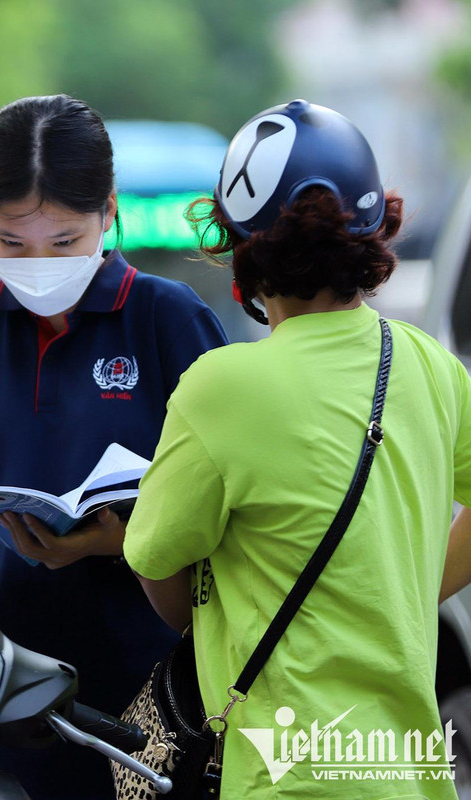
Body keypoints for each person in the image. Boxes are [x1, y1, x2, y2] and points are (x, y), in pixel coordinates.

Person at [123, 99, 471, 798]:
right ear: (376, 231)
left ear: (243, 250)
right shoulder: (434, 367)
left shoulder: (221, 386)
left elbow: (161, 575)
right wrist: (401, 592)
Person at [0, 94, 228, 799]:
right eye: (11, 243)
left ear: (107, 213)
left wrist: (111, 542)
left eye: (65, 242)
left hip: (149, 691)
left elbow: (222, 514)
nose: (38, 263)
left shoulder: (170, 322)